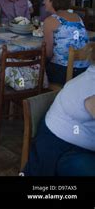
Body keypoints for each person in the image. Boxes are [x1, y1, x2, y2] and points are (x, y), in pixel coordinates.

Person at [23, 46, 95, 176]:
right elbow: (48, 53)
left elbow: (49, 53)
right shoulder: (90, 86)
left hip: (66, 71)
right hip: (61, 149)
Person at [43, 0, 90, 85]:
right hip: (84, 71)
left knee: (38, 66)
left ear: (53, 2)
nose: (44, 2)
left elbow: (48, 53)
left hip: (64, 72)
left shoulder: (50, 21)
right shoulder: (78, 17)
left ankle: (38, 96)